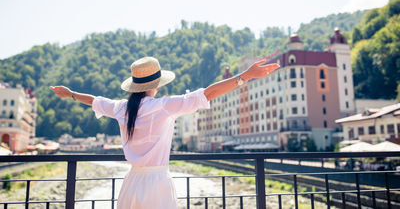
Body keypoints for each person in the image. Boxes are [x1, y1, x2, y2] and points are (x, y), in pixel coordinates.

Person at [50, 56, 279, 209]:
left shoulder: (122, 108)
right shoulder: (163, 106)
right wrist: (245, 76)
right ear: (156, 84)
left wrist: (70, 93)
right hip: (157, 183)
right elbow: (207, 94)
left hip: (131, 182)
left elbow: (95, 101)